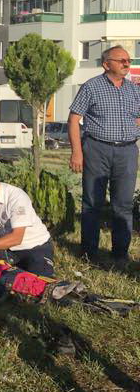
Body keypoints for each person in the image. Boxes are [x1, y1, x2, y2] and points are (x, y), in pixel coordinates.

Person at [68, 44, 140, 265]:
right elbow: (73, 120)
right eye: (121, 60)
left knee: (124, 204)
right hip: (97, 149)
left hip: (127, 150)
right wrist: (77, 153)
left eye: (128, 60)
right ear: (106, 64)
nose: (126, 64)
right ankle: (89, 253)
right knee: (92, 202)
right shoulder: (91, 87)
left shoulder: (133, 89)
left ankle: (120, 253)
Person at [0, 168, 54, 275]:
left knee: (39, 283)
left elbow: (16, 238)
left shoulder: (17, 198)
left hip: (35, 247)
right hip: (7, 248)